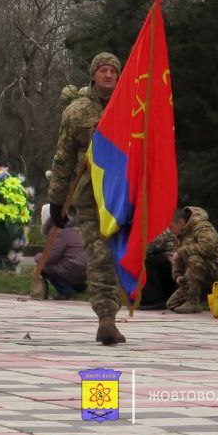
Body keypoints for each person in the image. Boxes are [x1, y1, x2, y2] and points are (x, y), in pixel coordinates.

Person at [47, 52, 126, 345]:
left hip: (124, 195)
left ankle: (117, 305)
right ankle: (106, 317)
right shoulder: (77, 112)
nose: (108, 75)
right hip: (91, 196)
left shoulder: (132, 107)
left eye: (113, 71)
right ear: (93, 75)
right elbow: (63, 158)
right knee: (99, 254)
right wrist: (56, 201)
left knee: (122, 254)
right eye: (103, 70)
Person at [166, 206, 218, 314]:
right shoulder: (180, 235)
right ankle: (204, 301)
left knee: (194, 259)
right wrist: (178, 275)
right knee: (172, 304)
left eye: (171, 226)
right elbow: (177, 259)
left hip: (215, 268)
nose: (171, 230)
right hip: (193, 275)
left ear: (180, 222)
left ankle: (193, 302)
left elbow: (207, 248)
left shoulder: (202, 226)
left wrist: (180, 252)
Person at [38, 203, 87, 299]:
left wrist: (38, 257)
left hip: (74, 266)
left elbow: (51, 257)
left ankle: (66, 291)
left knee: (44, 266)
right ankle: (79, 287)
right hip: (84, 267)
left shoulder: (58, 232)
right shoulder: (71, 230)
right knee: (60, 264)